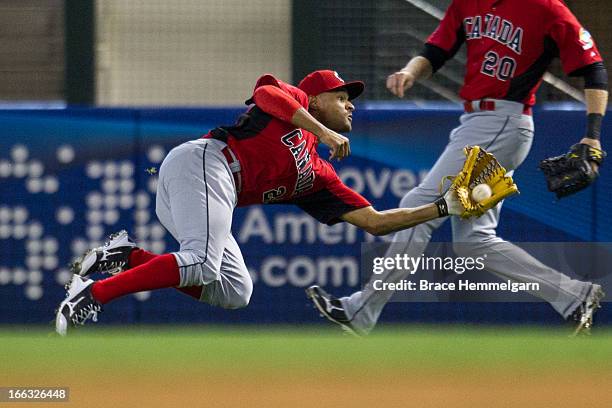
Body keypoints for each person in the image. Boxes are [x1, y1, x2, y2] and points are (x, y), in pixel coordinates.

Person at [55, 70, 481, 336]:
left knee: (235, 292)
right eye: (340, 96)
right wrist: (325, 132)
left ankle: (127, 255)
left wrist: (445, 207)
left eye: (350, 99)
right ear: (313, 99)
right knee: (202, 262)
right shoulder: (290, 99)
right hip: (204, 163)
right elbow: (268, 96)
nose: (350, 104)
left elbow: (376, 222)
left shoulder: (320, 176)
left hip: (210, 192)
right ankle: (92, 296)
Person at [307, 0, 608, 336]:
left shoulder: (546, 8)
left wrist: (592, 136)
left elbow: (593, 68)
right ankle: (573, 296)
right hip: (479, 122)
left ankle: (361, 310)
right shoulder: (467, 3)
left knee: (416, 205)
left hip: (503, 121)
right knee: (474, 241)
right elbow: (436, 50)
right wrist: (410, 71)